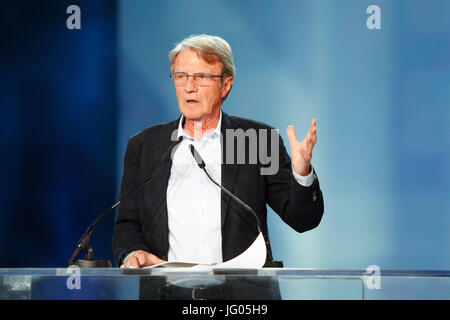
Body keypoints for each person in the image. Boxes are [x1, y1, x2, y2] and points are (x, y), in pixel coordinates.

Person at [112, 34, 324, 299]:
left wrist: (301, 172)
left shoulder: (255, 140)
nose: (189, 87)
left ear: (226, 85)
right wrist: (134, 252)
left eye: (201, 77)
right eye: (180, 76)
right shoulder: (145, 146)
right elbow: (127, 225)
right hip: (167, 293)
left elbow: (302, 219)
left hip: (242, 298)